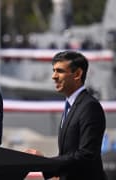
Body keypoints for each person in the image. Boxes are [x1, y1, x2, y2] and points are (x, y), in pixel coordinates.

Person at [26, 51, 107, 180]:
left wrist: (47, 164)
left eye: (60, 71)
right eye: (54, 70)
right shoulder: (72, 106)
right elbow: (69, 153)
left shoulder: (89, 106)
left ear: (78, 74)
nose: (54, 76)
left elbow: (86, 155)